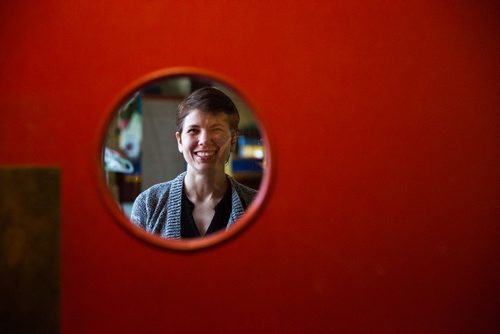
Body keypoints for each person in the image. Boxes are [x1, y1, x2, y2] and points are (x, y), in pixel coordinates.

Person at [130, 87, 257, 239]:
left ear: (233, 139)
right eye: (193, 130)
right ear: (180, 141)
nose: (204, 141)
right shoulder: (148, 204)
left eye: (216, 130)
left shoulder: (256, 205)